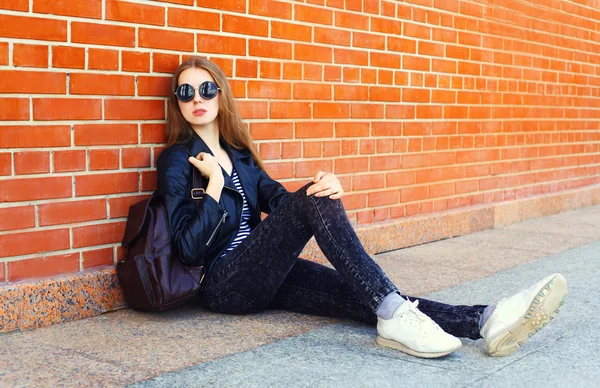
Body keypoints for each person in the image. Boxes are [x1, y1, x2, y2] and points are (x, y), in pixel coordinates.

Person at [156, 57, 567, 359]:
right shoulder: (177, 159)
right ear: (177, 103)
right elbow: (189, 250)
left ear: (221, 95)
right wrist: (213, 186)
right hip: (223, 283)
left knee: (364, 294)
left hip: (262, 274)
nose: (197, 99)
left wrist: (320, 189)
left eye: (207, 89)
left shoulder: (239, 155)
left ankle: (484, 321)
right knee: (351, 260)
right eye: (186, 92)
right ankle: (398, 317)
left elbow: (281, 205)